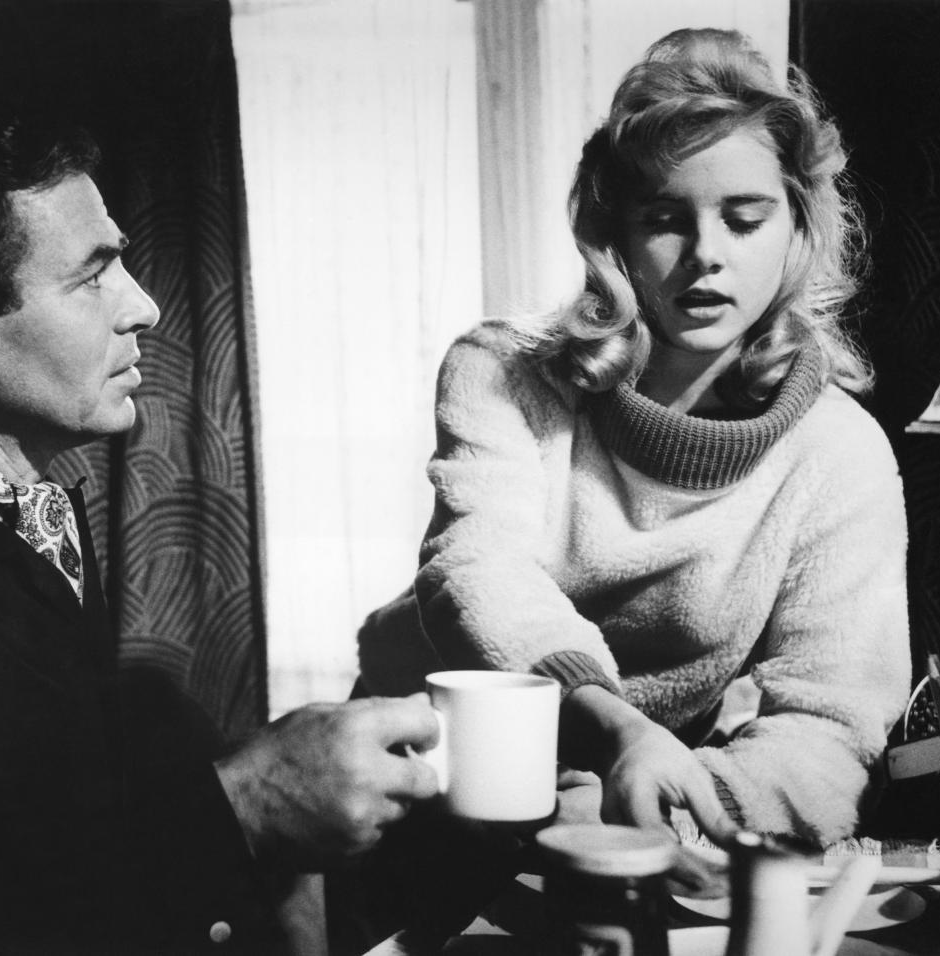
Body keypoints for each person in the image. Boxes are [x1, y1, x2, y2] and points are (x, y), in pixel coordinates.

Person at [0, 102, 441, 955]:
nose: (146, 306)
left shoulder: (11, 506)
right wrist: (240, 803)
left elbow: (51, 822)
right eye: (92, 277)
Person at [358, 28, 910, 848]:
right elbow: (477, 571)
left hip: (623, 793)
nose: (705, 257)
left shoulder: (842, 454)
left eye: (744, 217)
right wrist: (618, 727)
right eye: (665, 218)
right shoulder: (502, 373)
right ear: (614, 232)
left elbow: (828, 724)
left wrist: (673, 811)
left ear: (797, 227)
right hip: (429, 772)